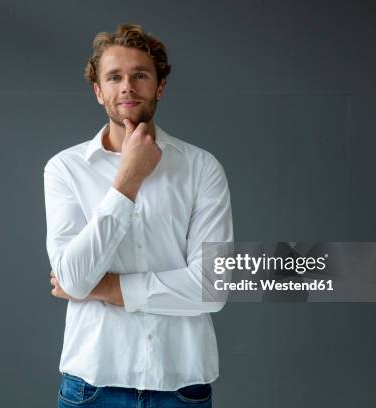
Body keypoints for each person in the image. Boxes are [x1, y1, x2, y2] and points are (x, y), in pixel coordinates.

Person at [43, 23, 234, 408]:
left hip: (181, 387)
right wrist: (127, 181)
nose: (127, 86)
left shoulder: (201, 167)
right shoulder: (65, 169)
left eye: (140, 75)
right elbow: (73, 277)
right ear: (99, 91)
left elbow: (212, 288)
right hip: (91, 386)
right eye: (114, 77)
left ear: (159, 86)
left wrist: (101, 289)